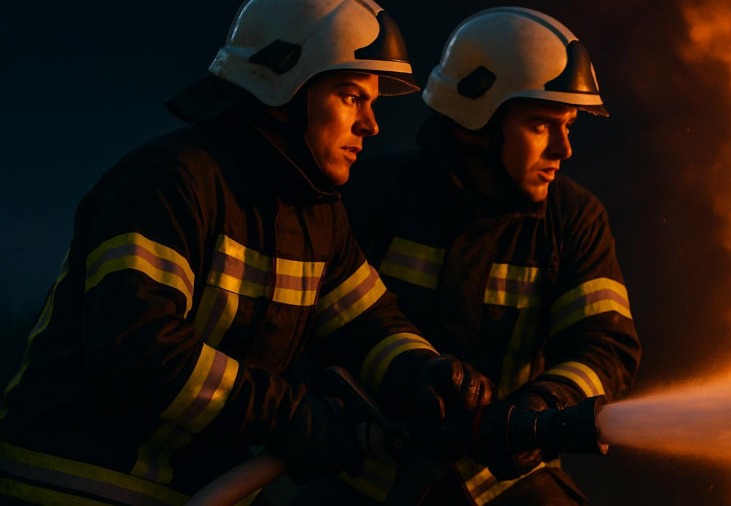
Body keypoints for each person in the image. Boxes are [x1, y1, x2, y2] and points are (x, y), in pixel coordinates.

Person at [0, 0, 491, 504]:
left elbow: (370, 325)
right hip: (70, 484)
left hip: (203, 492)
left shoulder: (318, 216)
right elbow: (139, 344)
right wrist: (287, 414)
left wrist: (425, 374)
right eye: (350, 97)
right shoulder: (168, 183)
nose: (371, 124)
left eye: (370, 103)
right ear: (283, 89)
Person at [333, 6, 642, 505]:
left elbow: (604, 345)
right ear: (476, 122)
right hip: (367, 474)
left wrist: (542, 406)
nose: (564, 149)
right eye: (541, 126)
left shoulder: (573, 218)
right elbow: (331, 325)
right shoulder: (377, 195)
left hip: (502, 480)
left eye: (569, 126)